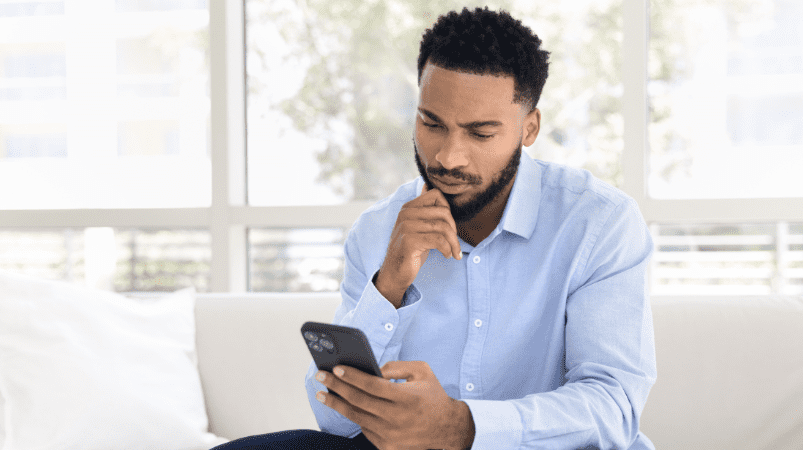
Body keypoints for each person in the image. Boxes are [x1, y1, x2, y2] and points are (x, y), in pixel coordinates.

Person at [214, 6, 656, 450]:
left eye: (480, 134)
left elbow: (613, 408)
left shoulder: (598, 223)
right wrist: (389, 285)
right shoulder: (378, 230)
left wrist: (463, 426)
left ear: (529, 128)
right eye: (432, 124)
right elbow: (336, 423)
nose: (447, 157)